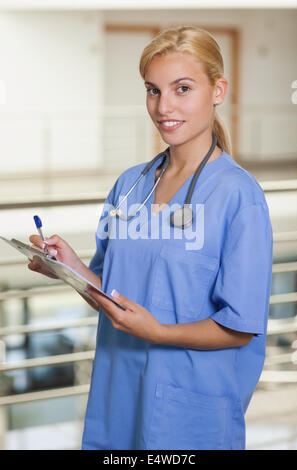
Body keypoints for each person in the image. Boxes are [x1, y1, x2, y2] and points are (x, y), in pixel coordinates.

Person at [28, 25, 273, 450]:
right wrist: (72, 268)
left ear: (218, 90)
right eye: (153, 90)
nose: (163, 107)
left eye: (182, 89)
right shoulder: (129, 186)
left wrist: (158, 333)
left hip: (188, 413)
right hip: (117, 398)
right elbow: (115, 298)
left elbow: (240, 327)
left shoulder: (238, 196)